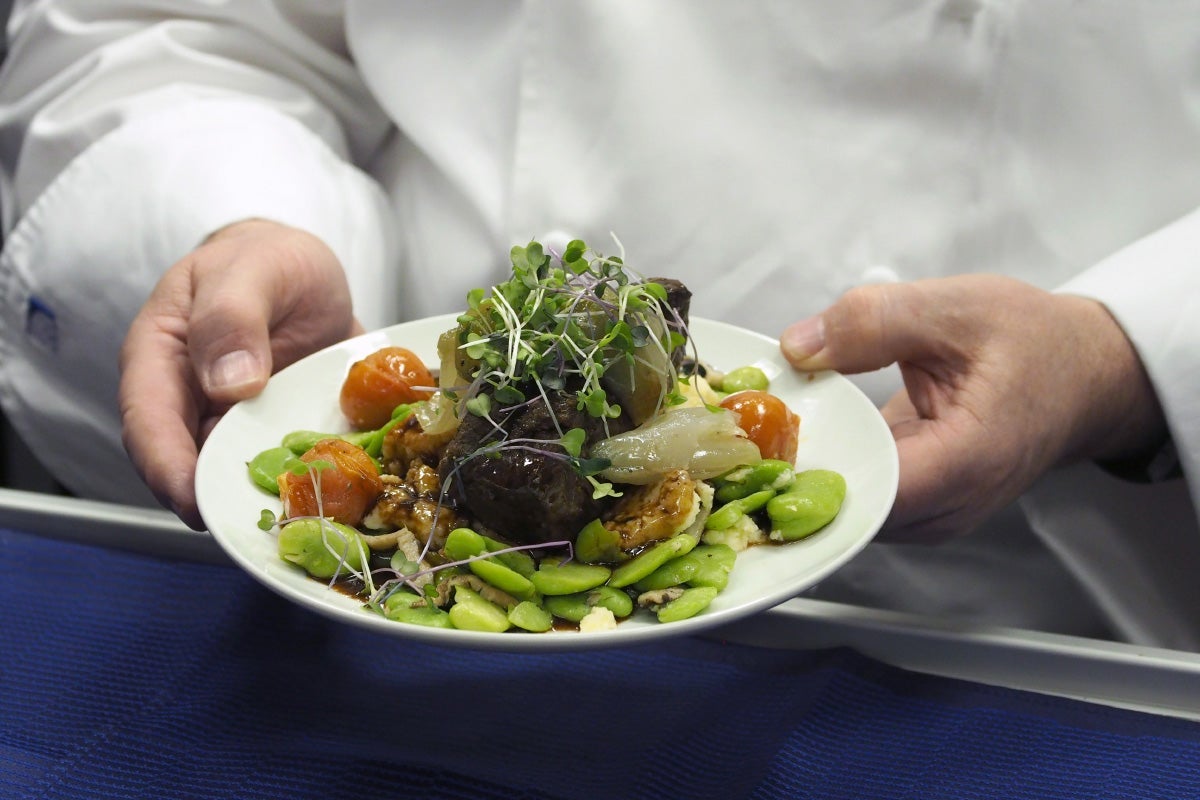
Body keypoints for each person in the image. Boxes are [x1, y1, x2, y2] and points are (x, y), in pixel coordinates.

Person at [1, 0, 1198, 647]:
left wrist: (1129, 351)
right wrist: (242, 214)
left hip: (1068, 633)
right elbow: (182, 29)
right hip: (390, 621)